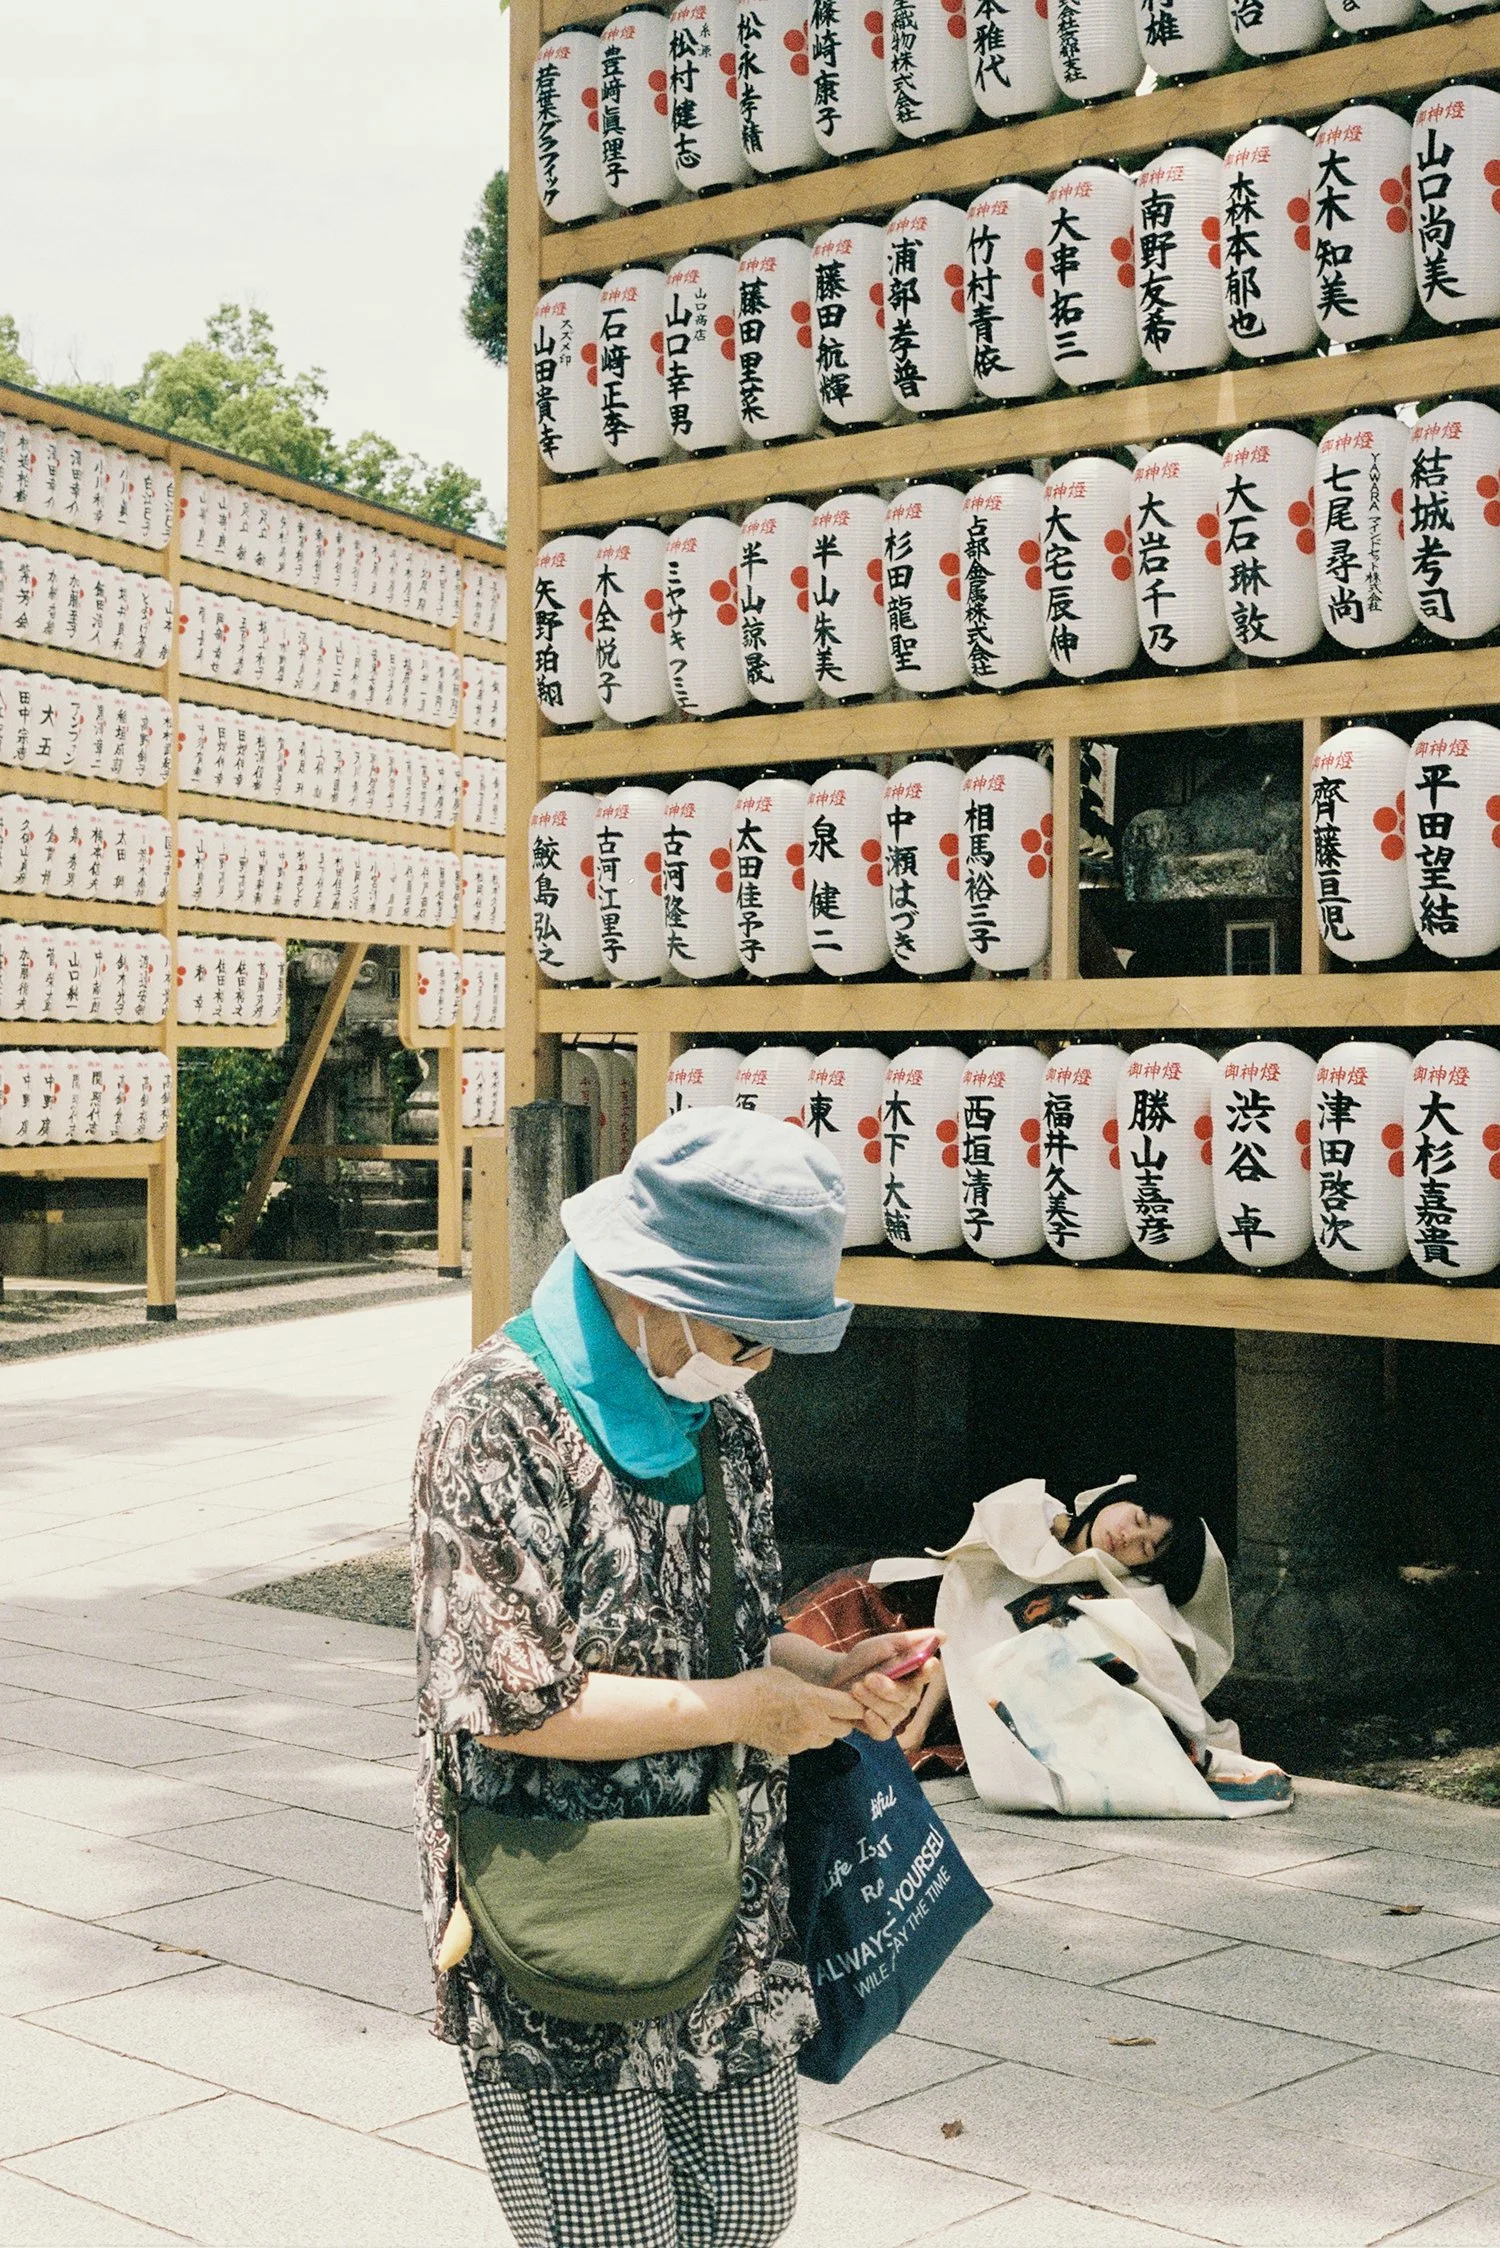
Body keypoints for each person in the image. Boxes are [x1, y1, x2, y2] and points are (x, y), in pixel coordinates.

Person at [410, 1108, 939, 2248]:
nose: (752, 1367)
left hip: (727, 1898)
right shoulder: (497, 1417)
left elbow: (738, 1631)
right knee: (614, 2235)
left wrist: (825, 1668)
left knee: (749, 2210)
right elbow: (514, 1704)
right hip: (569, 1909)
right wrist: (745, 1710)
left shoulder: (719, 1415)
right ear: (648, 1283)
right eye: (742, 1334)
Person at [786, 1472, 1290, 1818]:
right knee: (847, 1603)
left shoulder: (1114, 1590)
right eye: (1136, 1519)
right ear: (1119, 1498)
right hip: (925, 1608)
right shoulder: (1033, 1511)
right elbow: (971, 1582)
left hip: (968, 1669)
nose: (1127, 1537)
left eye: (1145, 1548)